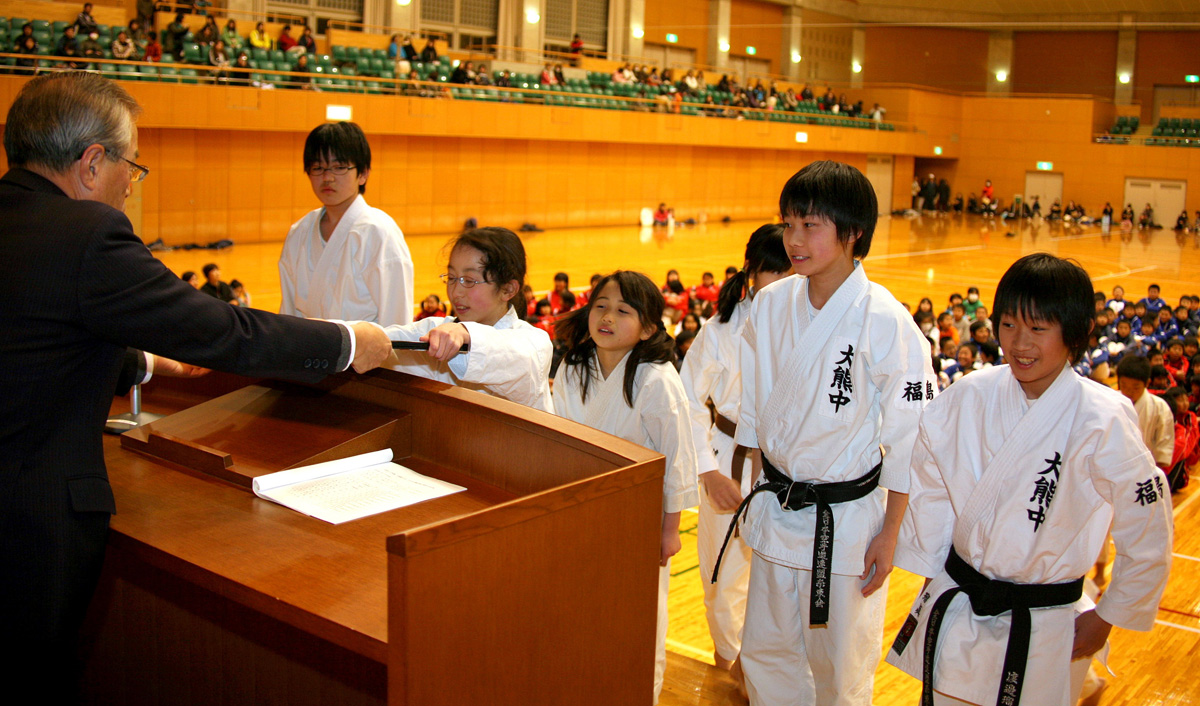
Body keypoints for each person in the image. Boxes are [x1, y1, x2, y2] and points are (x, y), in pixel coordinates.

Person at [0, 72, 392, 701]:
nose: (132, 184)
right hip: (26, 522)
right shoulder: (86, 235)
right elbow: (225, 331)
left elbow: (32, 331)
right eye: (133, 166)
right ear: (92, 162)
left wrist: (148, 367)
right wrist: (347, 341)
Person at [886, 253, 1173, 706]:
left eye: (1038, 329)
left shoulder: (1103, 418)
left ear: (1074, 335)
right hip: (961, 603)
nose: (1019, 343)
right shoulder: (968, 396)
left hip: (1046, 620)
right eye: (1008, 325)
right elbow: (931, 487)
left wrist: (1111, 613)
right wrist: (931, 569)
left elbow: (1148, 524)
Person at [727, 161, 935, 706]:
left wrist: (891, 534)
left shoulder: (888, 321)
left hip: (845, 524)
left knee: (840, 671)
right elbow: (754, 414)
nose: (793, 240)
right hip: (776, 508)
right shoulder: (770, 305)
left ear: (852, 232)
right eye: (788, 224)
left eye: (810, 226)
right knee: (767, 657)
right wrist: (754, 491)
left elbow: (912, 439)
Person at [552, 270, 700, 702]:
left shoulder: (657, 380)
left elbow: (676, 461)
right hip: (578, 507)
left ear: (649, 327)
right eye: (600, 306)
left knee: (639, 621)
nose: (607, 317)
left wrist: (669, 530)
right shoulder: (575, 366)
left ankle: (641, 694)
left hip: (639, 518)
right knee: (580, 613)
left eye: (622, 310)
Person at [679, 224, 792, 677]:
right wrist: (706, 471)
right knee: (722, 575)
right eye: (773, 272)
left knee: (780, 577)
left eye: (791, 272)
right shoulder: (722, 328)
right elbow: (685, 399)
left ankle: (763, 666)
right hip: (729, 459)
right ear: (752, 271)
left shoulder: (814, 325)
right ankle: (729, 662)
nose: (783, 283)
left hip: (791, 468)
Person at [385, 227, 553, 411]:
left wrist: (464, 333)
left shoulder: (535, 344)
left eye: (469, 280)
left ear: (508, 289)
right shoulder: (438, 329)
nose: (456, 292)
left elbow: (506, 351)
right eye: (452, 277)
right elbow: (382, 338)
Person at [279, 122, 414, 327]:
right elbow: (288, 312)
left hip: (365, 356)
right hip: (309, 354)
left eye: (339, 167)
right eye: (317, 168)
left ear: (363, 173)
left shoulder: (379, 233)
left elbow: (397, 319)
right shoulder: (299, 232)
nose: (327, 177)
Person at [1116, 355, 1176, 471]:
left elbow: (1163, 446)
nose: (1128, 392)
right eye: (1123, 385)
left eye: (1135, 387)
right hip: (1116, 467)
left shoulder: (1159, 407)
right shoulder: (1112, 401)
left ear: (1147, 383)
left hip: (1147, 469)